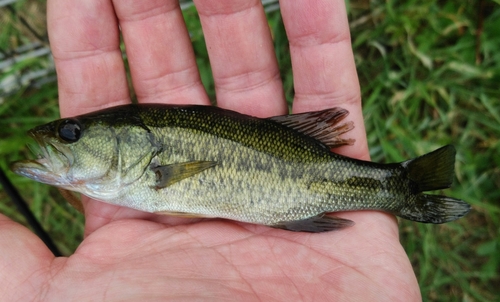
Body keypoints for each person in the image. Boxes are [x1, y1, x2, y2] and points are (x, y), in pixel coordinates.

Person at [0, 0, 421, 300]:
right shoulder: (140, 174)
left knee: (380, 183)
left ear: (131, 140)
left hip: (298, 186)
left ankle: (395, 185)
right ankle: (398, 186)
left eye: (72, 132)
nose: (62, 136)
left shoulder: (149, 172)